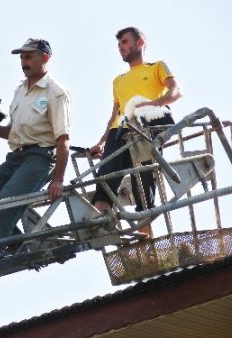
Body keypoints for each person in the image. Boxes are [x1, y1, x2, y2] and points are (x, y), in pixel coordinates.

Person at [0, 38, 71, 262]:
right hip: (17, 156)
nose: (23, 62)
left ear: (45, 58)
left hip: (41, 157)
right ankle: (15, 243)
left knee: (7, 199)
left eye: (28, 57)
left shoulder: (55, 92)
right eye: (22, 58)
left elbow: (63, 138)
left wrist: (58, 179)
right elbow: (12, 132)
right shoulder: (20, 91)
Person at [89, 27, 182, 237]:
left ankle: (144, 234)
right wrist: (102, 141)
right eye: (119, 44)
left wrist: (153, 104)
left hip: (146, 127)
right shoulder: (118, 80)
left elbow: (175, 91)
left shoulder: (156, 67)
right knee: (106, 176)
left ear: (140, 43)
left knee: (146, 180)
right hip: (119, 130)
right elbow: (115, 112)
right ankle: (102, 228)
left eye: (124, 42)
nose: (121, 47)